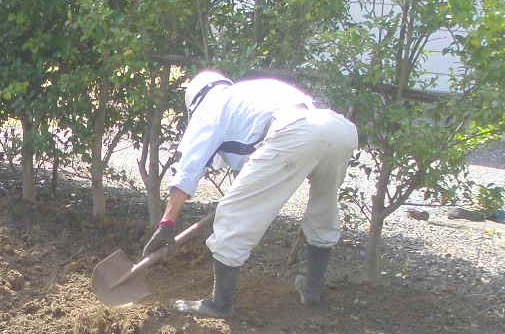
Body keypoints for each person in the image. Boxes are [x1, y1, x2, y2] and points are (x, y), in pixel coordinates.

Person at [143, 70, 358, 318]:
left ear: (194, 101)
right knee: (324, 209)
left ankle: (219, 304)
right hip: (338, 129)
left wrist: (168, 222)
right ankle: (312, 290)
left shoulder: (210, 107)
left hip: (296, 133)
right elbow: (257, 158)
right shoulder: (251, 92)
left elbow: (188, 170)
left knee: (232, 215)